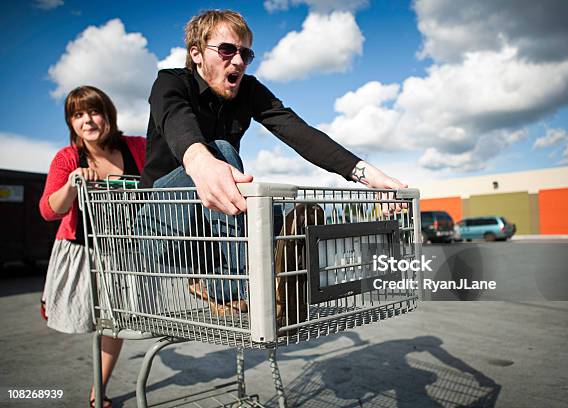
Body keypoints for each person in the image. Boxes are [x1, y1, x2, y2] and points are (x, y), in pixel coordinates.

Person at [138, 9, 406, 313]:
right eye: (226, 50)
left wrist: (367, 175)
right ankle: (254, 290)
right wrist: (200, 161)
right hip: (160, 228)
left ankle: (270, 287)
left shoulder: (248, 90)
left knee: (289, 212)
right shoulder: (170, 83)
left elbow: (297, 131)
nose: (237, 60)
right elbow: (176, 120)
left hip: (209, 238)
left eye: (245, 53)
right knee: (222, 152)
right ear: (197, 53)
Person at [39, 85, 146, 408]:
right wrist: (72, 182)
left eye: (94, 112)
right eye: (78, 115)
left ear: (108, 115)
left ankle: (97, 391)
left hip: (124, 251)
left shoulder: (136, 147)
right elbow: (48, 210)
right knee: (85, 317)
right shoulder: (68, 157)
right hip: (81, 250)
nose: (88, 121)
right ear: (71, 123)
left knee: (114, 322)